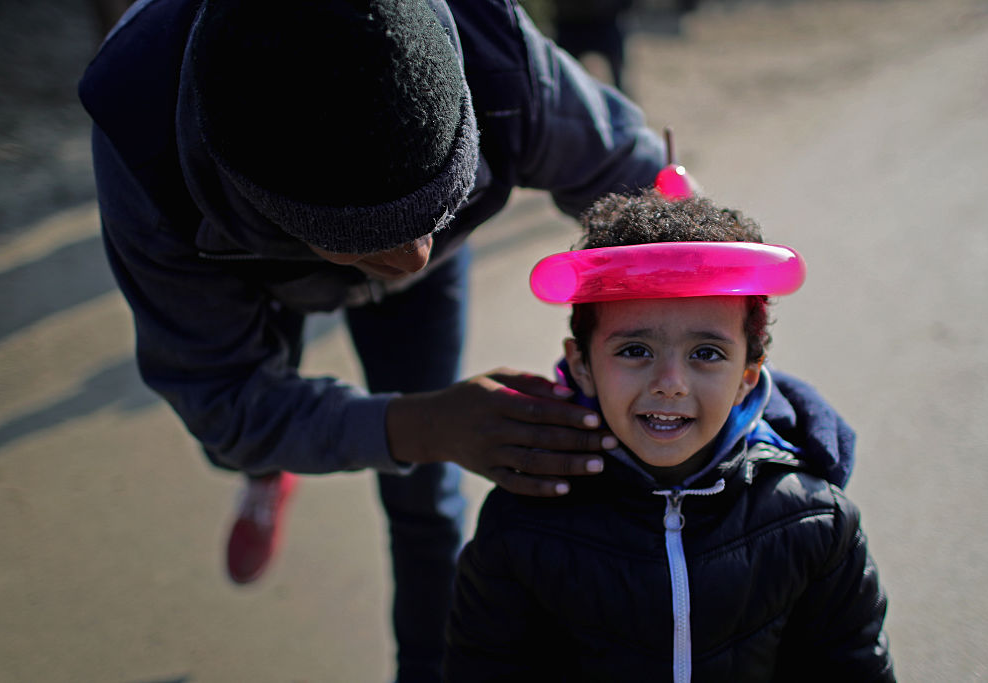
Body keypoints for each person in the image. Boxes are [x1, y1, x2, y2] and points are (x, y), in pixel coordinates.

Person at [78, 0, 676, 679]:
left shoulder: (494, 48)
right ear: (254, 207)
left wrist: (686, 324)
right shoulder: (145, 148)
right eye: (364, 242)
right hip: (251, 284)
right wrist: (422, 423)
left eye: (437, 208)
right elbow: (225, 395)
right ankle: (264, 476)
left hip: (327, 247)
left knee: (426, 495)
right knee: (256, 432)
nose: (415, 258)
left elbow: (640, 187)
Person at [445, 191, 895, 681]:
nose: (670, 382)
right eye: (635, 349)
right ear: (582, 365)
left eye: (706, 353)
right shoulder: (522, 526)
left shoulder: (816, 522)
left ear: (748, 373)